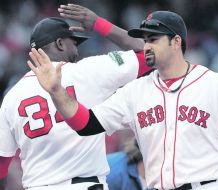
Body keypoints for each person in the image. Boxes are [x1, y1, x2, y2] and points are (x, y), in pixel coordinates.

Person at [27, 10, 218, 190]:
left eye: (153, 39)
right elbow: (87, 124)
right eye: (145, 40)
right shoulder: (135, 91)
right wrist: (57, 91)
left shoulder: (213, 84)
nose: (146, 46)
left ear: (176, 42)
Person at [0, 3, 151, 190]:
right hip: (84, 184)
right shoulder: (88, 70)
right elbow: (149, 54)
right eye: (74, 42)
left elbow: (1, 165)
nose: (77, 50)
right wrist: (98, 24)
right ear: (60, 43)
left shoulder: (11, 97)